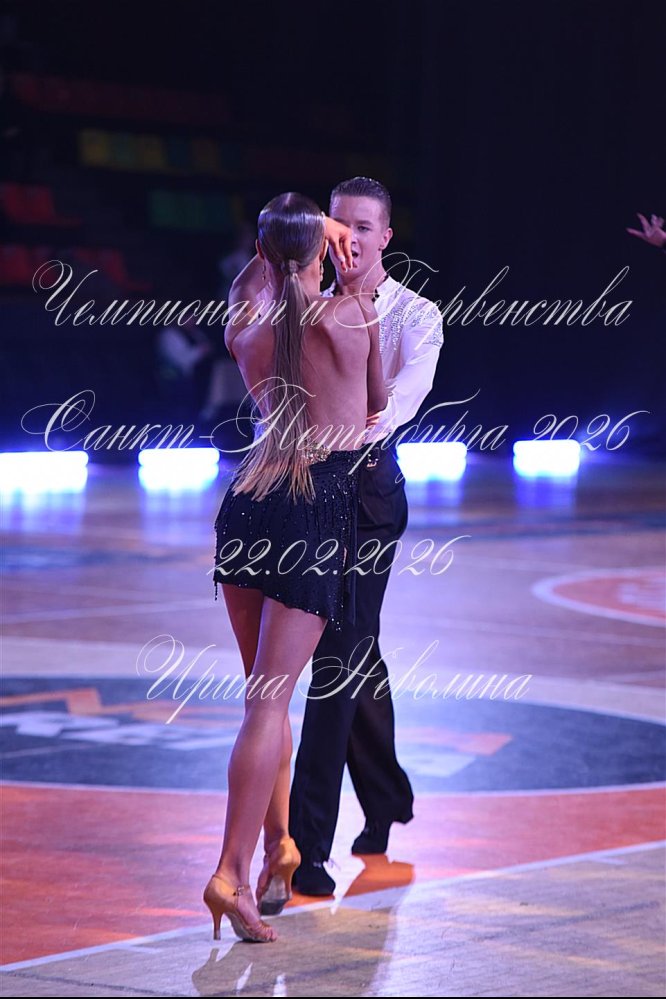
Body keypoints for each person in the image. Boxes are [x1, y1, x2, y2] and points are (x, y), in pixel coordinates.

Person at [203, 192, 387, 943]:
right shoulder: (351, 316)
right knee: (269, 705)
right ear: (325, 250)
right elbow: (374, 405)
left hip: (248, 504)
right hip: (312, 511)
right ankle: (228, 873)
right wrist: (351, 280)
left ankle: (278, 847)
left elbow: (253, 278)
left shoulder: (245, 325)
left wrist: (285, 242)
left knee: (262, 702)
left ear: (262, 252)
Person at [287, 177, 445, 895]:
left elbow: (397, 403)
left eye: (362, 226)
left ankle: (307, 849)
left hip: (368, 497)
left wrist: (339, 423)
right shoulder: (304, 304)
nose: (348, 237)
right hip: (304, 494)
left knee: (336, 659)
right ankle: (384, 799)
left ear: (386, 237)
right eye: (337, 224)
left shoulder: (417, 314)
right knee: (352, 651)